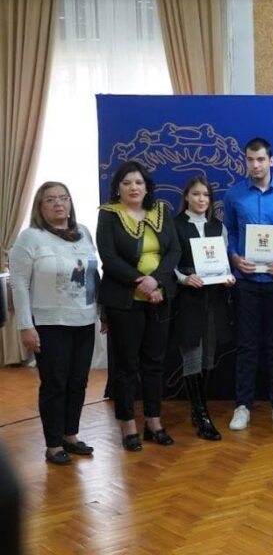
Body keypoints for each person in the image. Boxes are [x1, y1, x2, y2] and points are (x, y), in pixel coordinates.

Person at [10, 182, 100, 464]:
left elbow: (92, 275)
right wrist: (26, 325)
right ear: (40, 206)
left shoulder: (83, 232)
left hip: (84, 320)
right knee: (54, 384)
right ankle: (52, 445)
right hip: (49, 323)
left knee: (78, 382)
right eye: (50, 200)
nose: (58, 204)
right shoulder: (30, 238)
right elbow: (20, 284)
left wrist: (103, 312)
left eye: (63, 198)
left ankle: (70, 436)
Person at [97, 161, 181, 451]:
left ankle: (154, 422)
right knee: (126, 365)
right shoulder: (109, 216)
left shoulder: (161, 212)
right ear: (118, 188)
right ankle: (128, 424)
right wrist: (139, 280)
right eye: (127, 183)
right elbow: (108, 256)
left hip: (158, 298)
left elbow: (173, 251)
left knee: (155, 363)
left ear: (147, 187)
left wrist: (156, 282)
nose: (133, 187)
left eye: (138, 183)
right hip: (124, 301)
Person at [223, 137, 273, 430]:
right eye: (250, 159)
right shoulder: (234, 195)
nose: (255, 165)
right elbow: (230, 231)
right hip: (246, 280)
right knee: (246, 345)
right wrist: (233, 256)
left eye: (260, 159)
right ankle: (242, 406)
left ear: (271, 161)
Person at [172, 176, 235, 441]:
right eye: (196, 194)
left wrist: (229, 276)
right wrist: (184, 279)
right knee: (192, 356)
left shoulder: (217, 226)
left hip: (213, 299)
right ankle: (201, 414)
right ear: (186, 196)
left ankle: (200, 409)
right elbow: (169, 264)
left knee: (208, 356)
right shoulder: (174, 226)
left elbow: (223, 261)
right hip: (188, 299)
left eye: (205, 196)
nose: (201, 200)